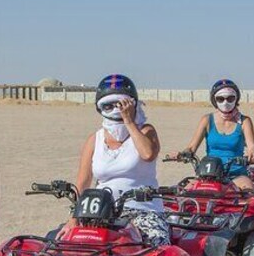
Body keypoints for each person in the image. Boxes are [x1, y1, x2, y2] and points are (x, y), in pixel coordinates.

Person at [58, 74, 170, 246]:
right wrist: (74, 217)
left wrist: (129, 122)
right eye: (108, 106)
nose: (115, 110)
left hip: (143, 210)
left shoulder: (146, 131)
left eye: (120, 105)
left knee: (156, 248)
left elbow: (148, 154)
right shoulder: (94, 140)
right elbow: (83, 182)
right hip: (101, 212)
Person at [171, 79, 254, 190]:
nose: (225, 102)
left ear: (236, 99)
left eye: (230, 98)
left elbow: (252, 146)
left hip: (236, 174)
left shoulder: (244, 121)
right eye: (220, 99)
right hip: (209, 174)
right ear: (214, 100)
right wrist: (182, 154)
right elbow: (191, 147)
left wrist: (252, 154)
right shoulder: (207, 120)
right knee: (185, 193)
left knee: (249, 192)